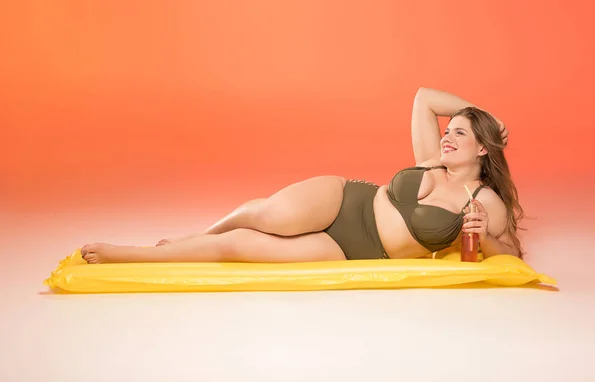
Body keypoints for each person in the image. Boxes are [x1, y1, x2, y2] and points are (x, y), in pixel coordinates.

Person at [80, 87, 523, 264]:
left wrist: (484, 237)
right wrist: (487, 115)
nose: (446, 138)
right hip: (345, 198)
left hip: (356, 251)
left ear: (482, 149)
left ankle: (129, 255)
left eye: (460, 134)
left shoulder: (483, 201)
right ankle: (194, 234)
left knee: (241, 249)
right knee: (267, 215)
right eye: (449, 130)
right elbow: (424, 97)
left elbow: (511, 256)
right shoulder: (430, 159)